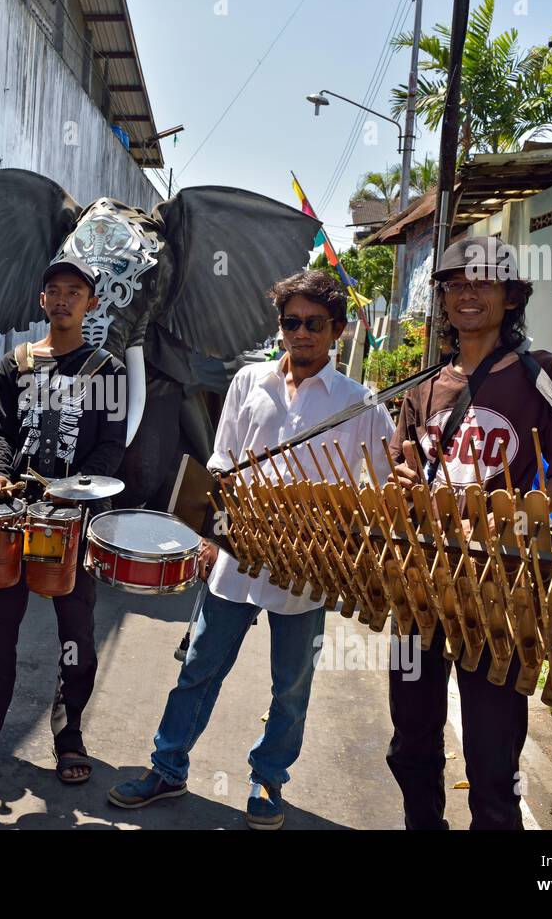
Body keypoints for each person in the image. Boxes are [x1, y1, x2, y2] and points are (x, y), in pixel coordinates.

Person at [107, 270, 394, 829]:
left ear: (336, 330)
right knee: (198, 668)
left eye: (314, 324)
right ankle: (167, 769)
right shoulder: (247, 382)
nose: (302, 334)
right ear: (280, 327)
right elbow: (221, 461)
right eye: (292, 323)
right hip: (237, 555)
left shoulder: (361, 403)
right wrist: (212, 539)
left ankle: (268, 781)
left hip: (309, 567)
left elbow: (381, 489)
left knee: (290, 686)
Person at [386, 236, 552, 830]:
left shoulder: (542, 376)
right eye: (456, 283)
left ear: (510, 297)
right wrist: (404, 481)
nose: (469, 292)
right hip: (421, 586)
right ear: (443, 299)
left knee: (493, 759)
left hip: (501, 590)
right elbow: (403, 469)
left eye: (484, 281)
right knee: (410, 741)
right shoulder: (425, 387)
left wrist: (513, 518)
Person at [0, 255, 127, 784]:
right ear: (42, 300)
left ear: (90, 303)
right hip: (14, 517)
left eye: (74, 291)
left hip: (72, 522)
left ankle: (69, 738)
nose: (62, 299)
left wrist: (74, 494)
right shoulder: (16, 363)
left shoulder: (106, 369)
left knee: (75, 632)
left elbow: (111, 447)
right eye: (54, 290)